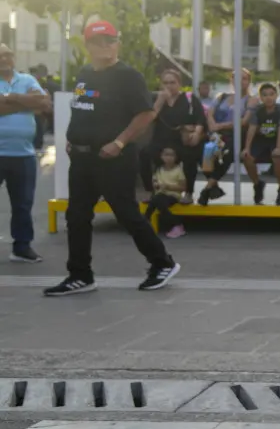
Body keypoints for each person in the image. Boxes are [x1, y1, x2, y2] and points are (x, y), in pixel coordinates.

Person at [45, 21, 180, 296]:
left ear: (117, 43)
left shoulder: (127, 76)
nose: (105, 46)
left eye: (110, 40)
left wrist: (119, 142)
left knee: (126, 213)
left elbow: (145, 114)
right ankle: (80, 275)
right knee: (77, 216)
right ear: (88, 46)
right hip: (82, 159)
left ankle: (162, 263)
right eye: (99, 42)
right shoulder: (84, 73)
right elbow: (82, 108)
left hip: (113, 157)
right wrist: (74, 136)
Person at [0, 43, 50, 263]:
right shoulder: (28, 86)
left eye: (8, 54)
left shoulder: (28, 80)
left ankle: (21, 247)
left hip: (24, 155)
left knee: (23, 204)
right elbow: (34, 103)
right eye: (0, 56)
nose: (4, 59)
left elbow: (44, 103)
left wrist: (9, 98)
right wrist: (26, 102)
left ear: (14, 57)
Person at [141, 69, 206, 201]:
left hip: (181, 140)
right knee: (144, 155)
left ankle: (188, 192)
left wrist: (197, 133)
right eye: (165, 83)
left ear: (179, 84)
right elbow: (148, 118)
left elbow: (200, 118)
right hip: (161, 139)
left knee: (190, 156)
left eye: (172, 82)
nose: (169, 86)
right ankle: (150, 190)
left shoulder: (189, 99)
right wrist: (159, 102)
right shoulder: (155, 98)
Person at [199, 68, 257, 205]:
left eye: (244, 78)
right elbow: (210, 114)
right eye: (237, 78)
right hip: (216, 134)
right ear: (231, 80)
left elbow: (244, 121)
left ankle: (207, 189)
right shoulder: (222, 96)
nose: (241, 82)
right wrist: (213, 126)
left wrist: (220, 126)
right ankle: (213, 186)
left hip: (237, 134)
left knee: (228, 151)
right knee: (205, 152)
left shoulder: (251, 100)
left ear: (248, 81)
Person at [241, 83, 280, 205]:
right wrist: (246, 148)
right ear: (261, 97)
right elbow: (252, 128)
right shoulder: (258, 110)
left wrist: (278, 148)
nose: (268, 98)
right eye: (265, 95)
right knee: (247, 158)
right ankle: (257, 184)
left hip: (276, 139)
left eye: (271, 94)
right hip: (261, 140)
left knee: (277, 157)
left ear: (276, 95)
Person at [145, 146, 188, 239]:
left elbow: (183, 187)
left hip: (173, 195)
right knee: (159, 202)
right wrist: (156, 184)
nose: (168, 158)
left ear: (175, 157)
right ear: (161, 157)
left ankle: (145, 220)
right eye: (166, 155)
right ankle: (176, 226)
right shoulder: (159, 170)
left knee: (156, 200)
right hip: (160, 195)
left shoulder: (178, 170)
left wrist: (168, 186)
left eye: (171, 155)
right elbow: (155, 181)